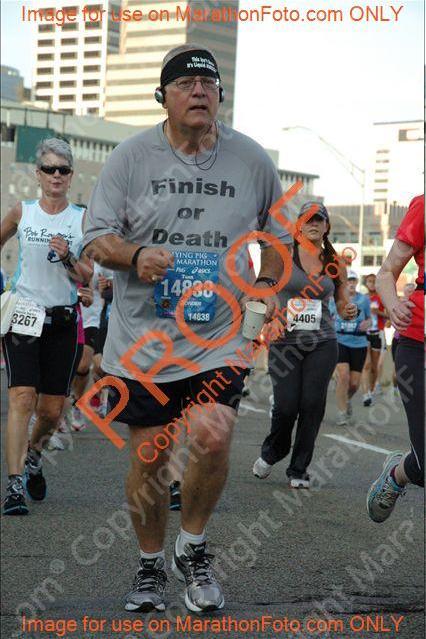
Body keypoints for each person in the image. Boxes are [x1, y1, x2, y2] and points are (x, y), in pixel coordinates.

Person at [83, 44, 293, 613]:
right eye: (185, 83)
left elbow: (278, 238)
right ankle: (150, 561)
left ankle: (192, 547)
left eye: (209, 83)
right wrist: (134, 255)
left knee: (214, 434)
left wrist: (266, 284)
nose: (199, 91)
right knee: (150, 456)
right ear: (163, 96)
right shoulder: (130, 158)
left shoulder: (251, 160)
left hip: (218, 336)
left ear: (220, 95)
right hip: (145, 337)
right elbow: (95, 238)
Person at [1, 137, 92, 515]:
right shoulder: (22, 212)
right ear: (38, 174)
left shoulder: (82, 219)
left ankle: (34, 455)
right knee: (22, 397)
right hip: (24, 315)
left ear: (71, 176)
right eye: (50, 169)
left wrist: (69, 256)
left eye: (63, 170)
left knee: (52, 411)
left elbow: (87, 275)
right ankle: (14, 485)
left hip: (63, 321)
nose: (56, 175)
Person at [252, 203, 357, 488]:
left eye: (319, 220)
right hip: (284, 341)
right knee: (286, 407)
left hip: (322, 342)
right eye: (308, 219)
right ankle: (274, 450)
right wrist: (266, 321)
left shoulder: (335, 262)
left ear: (326, 226)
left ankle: (298, 469)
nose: (313, 224)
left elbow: (342, 301)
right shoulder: (283, 255)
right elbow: (263, 291)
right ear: (298, 225)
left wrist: (348, 309)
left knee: (312, 405)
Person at [367, 195, 424, 522]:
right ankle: (397, 474)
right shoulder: (423, 207)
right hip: (418, 345)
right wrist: (392, 305)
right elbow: (387, 272)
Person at [331, 270, 372, 426]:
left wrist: (366, 323)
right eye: (348, 280)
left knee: (354, 384)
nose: (351, 283)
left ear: (357, 282)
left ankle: (346, 399)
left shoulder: (364, 300)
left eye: (354, 280)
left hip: (359, 343)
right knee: (343, 375)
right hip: (340, 341)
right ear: (344, 283)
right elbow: (329, 317)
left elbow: (370, 319)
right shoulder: (335, 300)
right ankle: (342, 412)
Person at [361, 273, 387, 405]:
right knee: (366, 365)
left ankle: (371, 391)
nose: (371, 283)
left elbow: (389, 315)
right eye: (369, 281)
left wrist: (378, 313)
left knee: (374, 367)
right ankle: (366, 394)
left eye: (373, 281)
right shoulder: (362, 298)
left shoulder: (381, 297)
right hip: (364, 334)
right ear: (366, 283)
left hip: (378, 333)